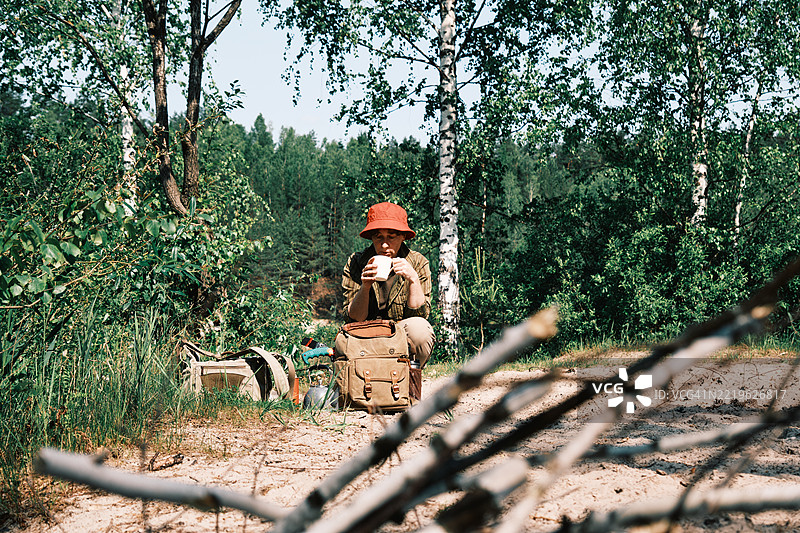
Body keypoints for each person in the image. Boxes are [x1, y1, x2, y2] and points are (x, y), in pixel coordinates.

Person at [342, 202, 436, 366]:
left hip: (401, 334)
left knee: (421, 331)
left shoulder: (418, 263)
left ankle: (410, 376)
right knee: (341, 341)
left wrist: (413, 279)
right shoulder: (356, 262)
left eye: (391, 237)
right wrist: (365, 287)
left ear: (403, 237)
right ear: (372, 237)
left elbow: (420, 316)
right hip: (366, 333)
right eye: (378, 237)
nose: (384, 244)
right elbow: (353, 319)